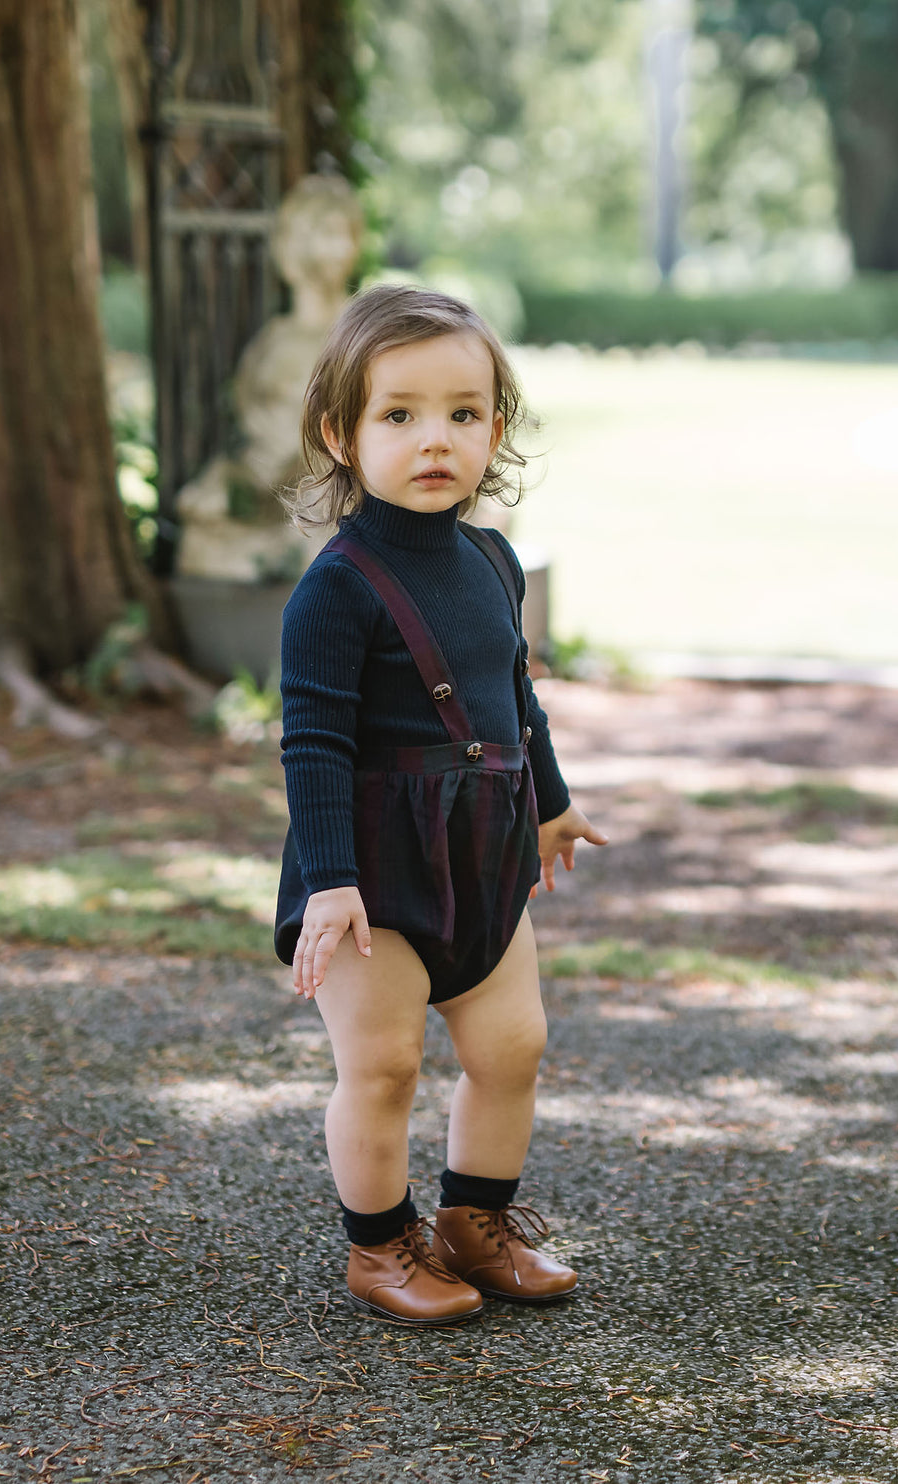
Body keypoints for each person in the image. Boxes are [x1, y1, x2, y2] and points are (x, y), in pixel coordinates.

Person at [274, 284, 607, 1326]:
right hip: (369, 873)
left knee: (511, 1046)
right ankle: (379, 1246)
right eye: (400, 413)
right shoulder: (333, 589)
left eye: (463, 414)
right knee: (384, 1064)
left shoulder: (493, 561)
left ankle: (474, 1222)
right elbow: (313, 744)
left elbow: (515, 695)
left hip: (482, 855)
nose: (436, 438)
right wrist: (329, 881)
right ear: (342, 431)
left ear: (494, 429)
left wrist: (548, 805)